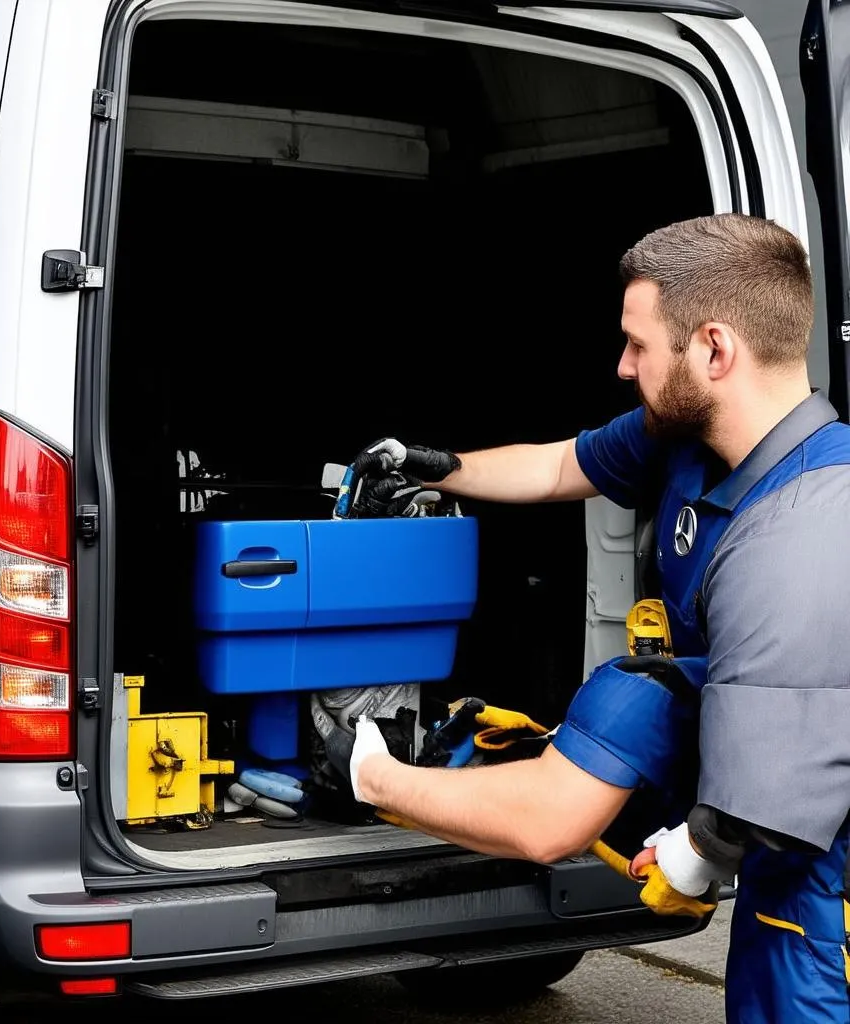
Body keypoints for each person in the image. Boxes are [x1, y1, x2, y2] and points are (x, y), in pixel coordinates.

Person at [341, 213, 850, 1023]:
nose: (622, 365)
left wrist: (372, 773)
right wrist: (441, 469)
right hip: (785, 857)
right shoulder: (687, 434)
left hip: (827, 880)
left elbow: (563, 823)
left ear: (715, 349)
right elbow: (557, 467)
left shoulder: (801, 530)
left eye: (638, 345)